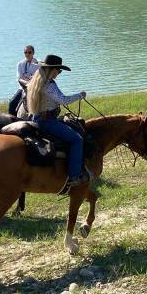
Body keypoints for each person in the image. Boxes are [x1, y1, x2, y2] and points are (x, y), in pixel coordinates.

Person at [24, 55, 89, 195]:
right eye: (58, 70)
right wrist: (80, 95)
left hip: (38, 118)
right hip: (48, 122)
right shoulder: (49, 85)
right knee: (77, 139)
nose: (59, 73)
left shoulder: (37, 81)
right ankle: (74, 176)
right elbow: (63, 100)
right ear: (52, 70)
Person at [8, 45, 39, 116]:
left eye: (29, 52)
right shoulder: (20, 64)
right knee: (12, 103)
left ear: (33, 53)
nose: (27, 54)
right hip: (23, 88)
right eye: (25, 52)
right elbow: (19, 78)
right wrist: (27, 84)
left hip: (34, 88)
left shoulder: (38, 64)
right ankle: (11, 120)